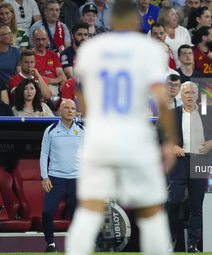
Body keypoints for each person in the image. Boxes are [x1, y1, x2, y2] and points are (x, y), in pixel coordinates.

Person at [65, 2, 176, 255]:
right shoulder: (148, 48)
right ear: (136, 20)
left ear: (111, 19)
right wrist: (169, 141)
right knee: (151, 213)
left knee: (89, 210)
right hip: (134, 137)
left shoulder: (90, 48)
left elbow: (81, 96)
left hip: (100, 138)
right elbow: (161, 98)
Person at [167, 81, 212, 252]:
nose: (189, 95)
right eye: (186, 92)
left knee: (196, 204)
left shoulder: (207, 111)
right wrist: (172, 146)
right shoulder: (172, 114)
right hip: (179, 161)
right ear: (180, 96)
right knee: (173, 201)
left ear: (197, 95)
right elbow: (159, 132)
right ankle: (171, 241)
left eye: (192, 92)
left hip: (199, 160)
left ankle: (193, 244)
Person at [40, 99, 85, 252]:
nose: (70, 111)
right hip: (55, 179)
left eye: (73, 108)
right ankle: (51, 244)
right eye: (67, 108)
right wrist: (44, 176)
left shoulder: (82, 131)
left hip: (76, 179)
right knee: (47, 212)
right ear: (60, 110)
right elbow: (44, 154)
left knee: (78, 215)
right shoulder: (50, 130)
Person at [31, 28, 67, 97]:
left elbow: (62, 76)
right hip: (38, 88)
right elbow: (33, 78)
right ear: (33, 41)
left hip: (56, 87)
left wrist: (62, 83)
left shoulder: (53, 55)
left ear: (47, 40)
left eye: (43, 39)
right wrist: (57, 80)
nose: (41, 42)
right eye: (38, 40)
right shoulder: (29, 56)